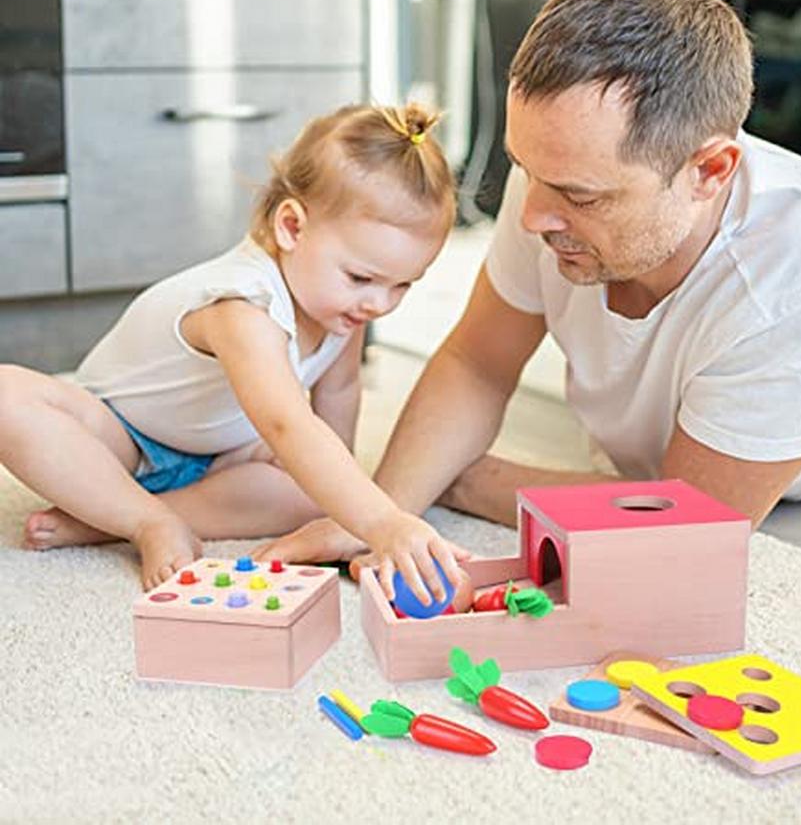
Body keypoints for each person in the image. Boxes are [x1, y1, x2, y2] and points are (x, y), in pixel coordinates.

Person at [255, 0, 801, 570]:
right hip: (726, 338)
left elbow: (681, 529)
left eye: (580, 196)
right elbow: (478, 363)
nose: (531, 216)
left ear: (708, 172)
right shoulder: (553, 179)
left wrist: (466, 478)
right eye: (527, 172)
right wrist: (382, 512)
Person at [0, 103, 469, 598]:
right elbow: (287, 423)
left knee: (314, 493)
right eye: (362, 277)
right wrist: (383, 522)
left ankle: (102, 518)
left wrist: (344, 506)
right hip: (120, 440)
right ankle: (145, 520)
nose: (379, 303)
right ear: (292, 227)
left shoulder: (343, 309)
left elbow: (340, 394)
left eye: (403, 286)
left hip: (219, 454)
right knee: (7, 396)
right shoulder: (244, 303)